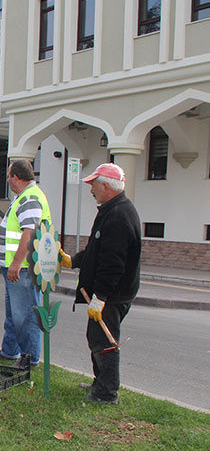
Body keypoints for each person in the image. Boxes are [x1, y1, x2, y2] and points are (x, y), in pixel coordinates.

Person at [60, 163, 141, 404]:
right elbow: (97, 250)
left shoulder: (118, 215)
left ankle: (106, 393)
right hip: (110, 294)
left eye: (94, 184)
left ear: (106, 185)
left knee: (104, 341)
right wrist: (73, 261)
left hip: (113, 295)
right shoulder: (110, 210)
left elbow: (113, 262)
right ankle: (101, 383)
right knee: (96, 337)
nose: (91, 190)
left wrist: (101, 296)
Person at [0, 159, 52, 368]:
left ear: (16, 177)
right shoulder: (24, 196)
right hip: (18, 267)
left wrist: (16, 263)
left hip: (23, 268)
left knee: (25, 315)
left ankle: (30, 359)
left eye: (9, 176)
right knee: (14, 313)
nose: (8, 180)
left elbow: (29, 232)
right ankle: (10, 351)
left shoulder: (30, 198)